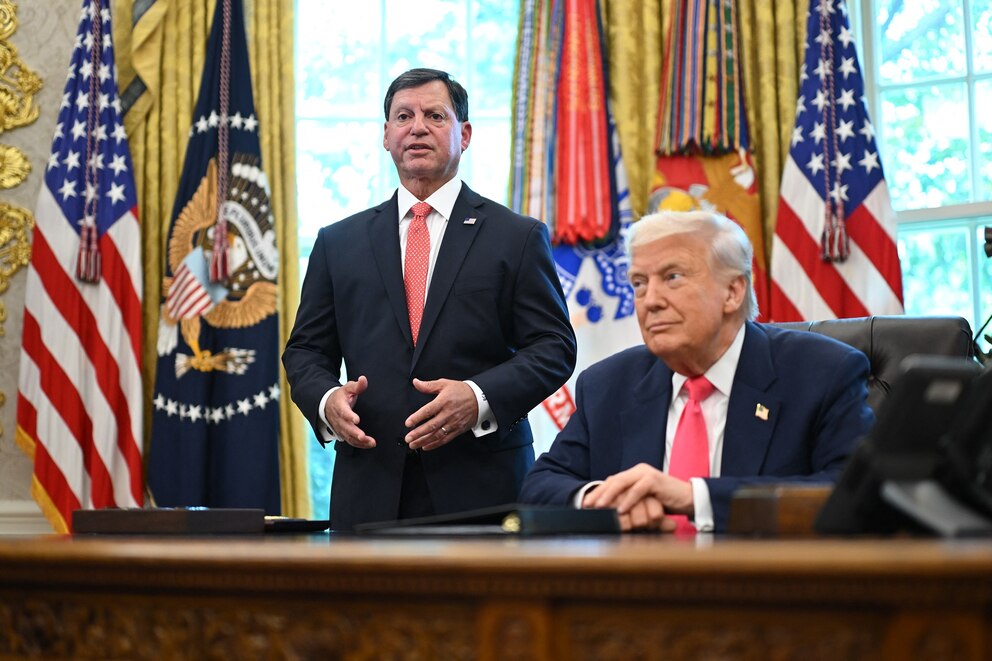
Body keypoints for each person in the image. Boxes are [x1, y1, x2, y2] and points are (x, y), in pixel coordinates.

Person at [283, 68, 576, 531]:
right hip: (370, 486)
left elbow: (554, 347)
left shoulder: (515, 237)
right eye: (403, 116)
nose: (417, 127)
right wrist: (326, 402)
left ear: (464, 133)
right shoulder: (338, 242)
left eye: (434, 115)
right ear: (386, 136)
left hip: (483, 489)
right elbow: (306, 351)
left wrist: (477, 397)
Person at [519, 210, 874, 533]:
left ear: (733, 292)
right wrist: (604, 499)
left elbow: (852, 492)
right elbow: (540, 485)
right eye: (639, 283)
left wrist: (695, 497)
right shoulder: (609, 384)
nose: (650, 300)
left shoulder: (822, 372)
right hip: (638, 590)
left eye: (672, 277)